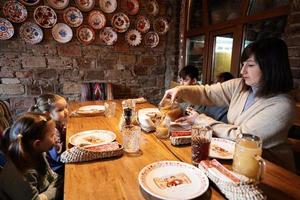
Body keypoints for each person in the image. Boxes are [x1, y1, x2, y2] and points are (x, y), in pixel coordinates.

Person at [161, 38, 296, 171]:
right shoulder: (240, 86)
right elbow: (207, 92)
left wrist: (200, 119)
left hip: (270, 171)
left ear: (271, 66)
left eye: (250, 65)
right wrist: (180, 90)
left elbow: (241, 137)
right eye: (243, 64)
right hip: (235, 158)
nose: (243, 71)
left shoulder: (282, 106)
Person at [0, 112, 63, 199]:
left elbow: (52, 177)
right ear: (37, 144)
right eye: (52, 135)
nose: (56, 138)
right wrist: (58, 186)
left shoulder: (38, 153)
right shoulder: (24, 173)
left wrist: (59, 182)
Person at [29, 93, 69, 176]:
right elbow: (58, 158)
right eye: (60, 110)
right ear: (47, 114)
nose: (66, 111)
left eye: (66, 107)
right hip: (57, 168)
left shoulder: (57, 124)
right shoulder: (52, 131)